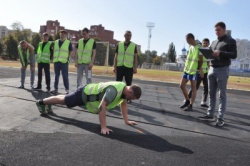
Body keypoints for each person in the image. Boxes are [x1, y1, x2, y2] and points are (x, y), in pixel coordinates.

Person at [36, 81, 142, 135]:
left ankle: (47, 102)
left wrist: (127, 121)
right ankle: (41, 102)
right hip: (83, 94)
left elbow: (123, 104)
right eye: (131, 98)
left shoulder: (123, 91)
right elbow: (102, 106)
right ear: (129, 91)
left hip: (86, 91)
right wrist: (103, 127)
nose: (129, 100)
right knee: (64, 101)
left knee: (64, 99)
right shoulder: (114, 91)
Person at [199, 22, 237, 127]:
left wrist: (221, 53)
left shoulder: (230, 41)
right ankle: (210, 114)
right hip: (212, 68)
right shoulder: (214, 42)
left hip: (222, 69)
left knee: (221, 94)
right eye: (215, 30)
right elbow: (211, 54)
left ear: (224, 29)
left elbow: (234, 55)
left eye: (218, 30)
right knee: (211, 93)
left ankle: (220, 117)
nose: (216, 32)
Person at [179, 33, 203, 111]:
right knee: (182, 85)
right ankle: (187, 100)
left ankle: (191, 105)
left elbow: (201, 60)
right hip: (187, 70)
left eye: (187, 40)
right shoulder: (190, 47)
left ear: (191, 39)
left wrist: (198, 69)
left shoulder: (199, 47)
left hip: (193, 71)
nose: (187, 42)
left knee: (193, 89)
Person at [113, 30, 138, 103]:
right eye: (127, 35)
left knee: (129, 83)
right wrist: (114, 66)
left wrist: (135, 67)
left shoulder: (134, 45)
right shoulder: (119, 44)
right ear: (124, 36)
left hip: (129, 67)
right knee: (118, 83)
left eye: (130, 35)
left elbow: (135, 57)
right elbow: (116, 56)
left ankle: (128, 98)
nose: (128, 37)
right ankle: (117, 97)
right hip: (120, 66)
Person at [188, 38, 210, 108]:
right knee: (195, 87)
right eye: (204, 43)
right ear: (202, 43)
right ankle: (187, 99)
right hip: (199, 72)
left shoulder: (209, 51)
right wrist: (200, 71)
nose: (205, 44)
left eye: (207, 43)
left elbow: (208, 61)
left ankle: (203, 102)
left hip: (206, 72)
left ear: (208, 44)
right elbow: (198, 61)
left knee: (206, 88)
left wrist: (209, 69)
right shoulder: (200, 51)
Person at [50, 30, 73, 95]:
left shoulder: (68, 42)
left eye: (64, 34)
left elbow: (71, 51)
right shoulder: (56, 42)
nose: (62, 34)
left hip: (64, 62)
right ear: (60, 34)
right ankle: (55, 89)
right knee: (56, 75)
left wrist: (68, 59)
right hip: (56, 61)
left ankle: (67, 89)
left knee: (65, 76)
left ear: (66, 35)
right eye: (61, 33)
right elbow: (54, 50)